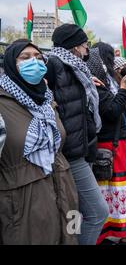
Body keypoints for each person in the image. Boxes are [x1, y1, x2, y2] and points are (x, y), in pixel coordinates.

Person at [0, 40, 79, 244]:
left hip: (64, 193)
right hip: (23, 205)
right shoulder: (2, 104)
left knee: (72, 235)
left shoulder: (46, 99)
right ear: (10, 64)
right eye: (25, 58)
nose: (34, 62)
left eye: (38, 57)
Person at [46, 24, 109, 245]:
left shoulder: (76, 69)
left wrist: (85, 84)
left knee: (75, 211)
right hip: (69, 154)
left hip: (82, 149)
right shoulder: (54, 65)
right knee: (98, 212)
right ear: (74, 47)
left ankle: (75, 240)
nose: (87, 49)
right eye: (84, 44)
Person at [87, 44, 126, 245]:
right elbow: (111, 110)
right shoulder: (96, 83)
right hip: (110, 142)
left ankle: (119, 232)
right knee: (115, 191)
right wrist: (124, 90)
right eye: (110, 57)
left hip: (114, 139)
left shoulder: (105, 81)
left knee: (114, 191)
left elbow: (117, 105)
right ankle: (123, 234)